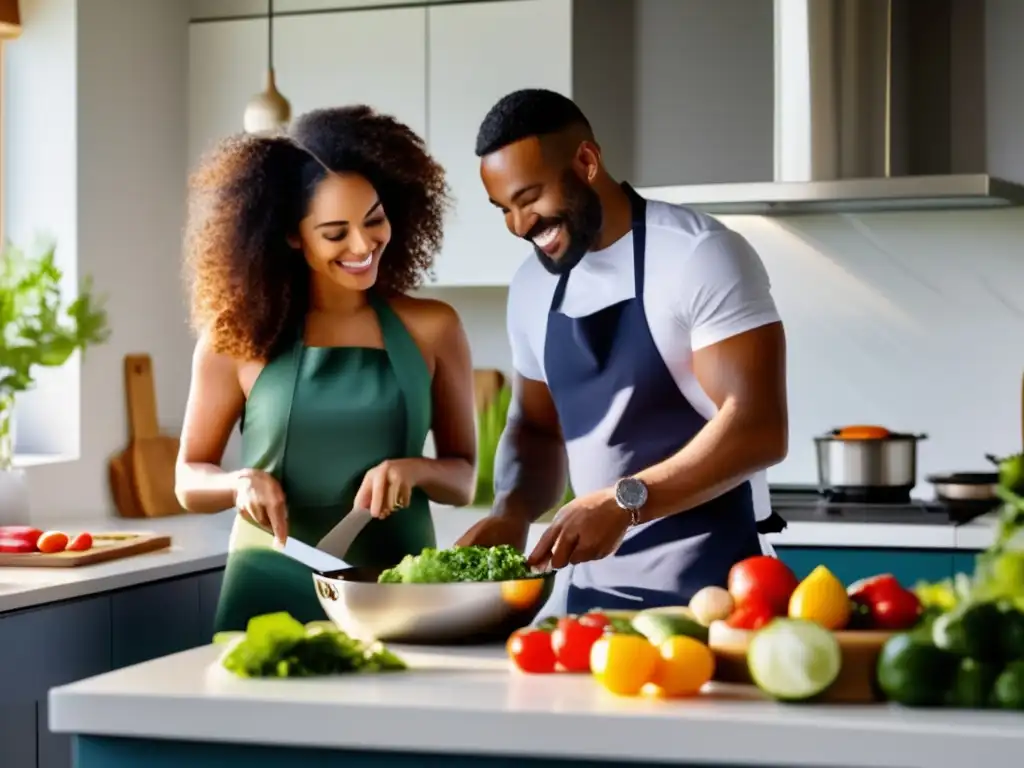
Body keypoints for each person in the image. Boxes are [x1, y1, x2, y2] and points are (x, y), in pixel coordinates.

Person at [456, 89, 789, 617]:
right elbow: (538, 428)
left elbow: (758, 426)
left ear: (586, 161)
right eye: (505, 210)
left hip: (720, 594)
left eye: (530, 198)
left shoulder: (698, 255)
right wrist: (512, 512)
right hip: (590, 603)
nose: (520, 226)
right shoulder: (531, 288)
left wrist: (622, 502)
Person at [176, 105, 476, 632]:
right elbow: (188, 478)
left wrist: (415, 469)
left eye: (374, 220)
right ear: (294, 236)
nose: (363, 246)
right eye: (335, 233)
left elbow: (463, 478)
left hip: (396, 582)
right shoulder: (236, 338)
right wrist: (239, 484)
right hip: (271, 576)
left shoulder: (434, 328)